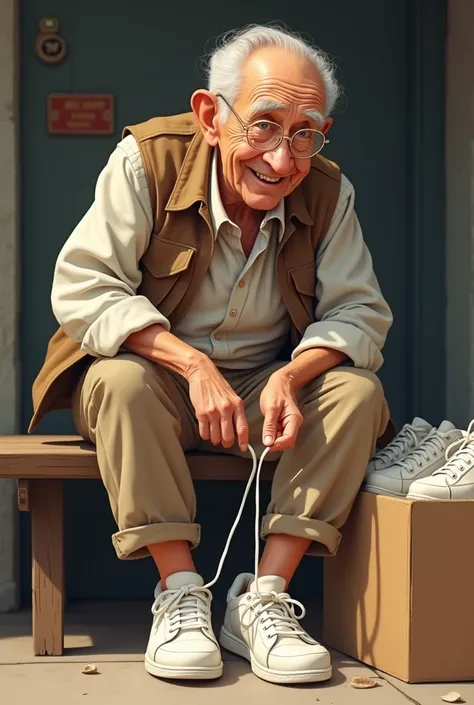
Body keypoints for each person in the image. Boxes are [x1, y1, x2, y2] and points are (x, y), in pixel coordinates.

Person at [30, 24, 392, 685]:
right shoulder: (149, 159)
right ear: (211, 116)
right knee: (118, 379)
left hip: (259, 392)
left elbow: (361, 312)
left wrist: (293, 372)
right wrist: (190, 364)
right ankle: (180, 591)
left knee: (356, 392)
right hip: (155, 381)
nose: (282, 160)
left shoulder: (329, 192)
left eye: (304, 133)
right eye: (263, 126)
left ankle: (264, 597)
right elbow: (83, 286)